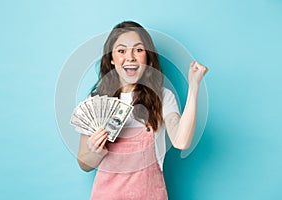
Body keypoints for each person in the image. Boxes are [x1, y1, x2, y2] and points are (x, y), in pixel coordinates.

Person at [76, 21, 208, 200]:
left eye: (138, 50)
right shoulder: (95, 102)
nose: (130, 57)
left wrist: (194, 86)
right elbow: (84, 164)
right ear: (111, 59)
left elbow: (181, 142)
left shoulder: (162, 96)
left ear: (148, 57)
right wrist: (95, 151)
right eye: (121, 51)